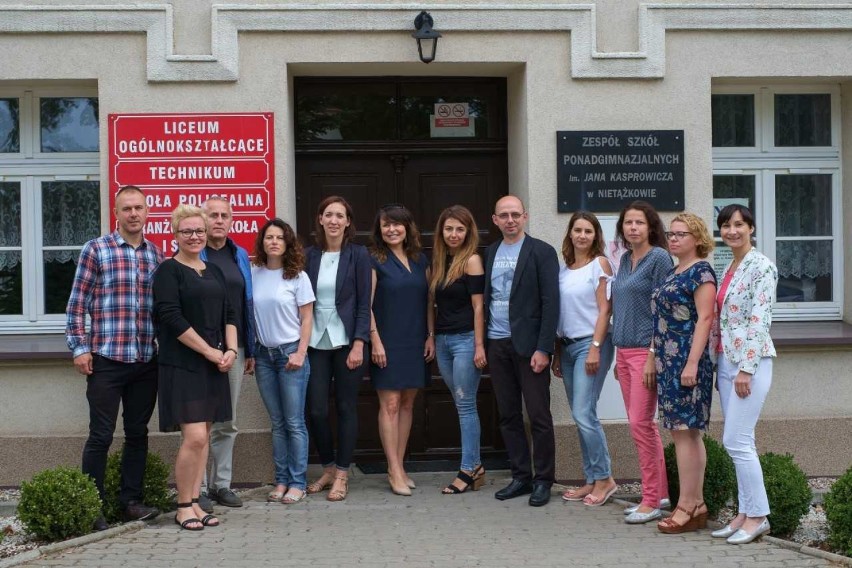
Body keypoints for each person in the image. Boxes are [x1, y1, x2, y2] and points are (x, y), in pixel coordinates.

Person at [66, 185, 164, 531]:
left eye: (139, 207)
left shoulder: (156, 255)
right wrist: (79, 348)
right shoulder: (97, 249)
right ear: (117, 214)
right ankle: (93, 505)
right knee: (101, 435)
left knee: (137, 433)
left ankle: (130, 502)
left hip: (143, 360)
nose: (134, 214)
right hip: (106, 358)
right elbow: (77, 303)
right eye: (127, 208)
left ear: (148, 212)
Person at [153, 204, 237, 531]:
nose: (194, 236)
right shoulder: (168, 271)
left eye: (199, 231)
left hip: (214, 364)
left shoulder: (213, 270)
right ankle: (183, 505)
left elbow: (229, 313)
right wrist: (210, 352)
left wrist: (229, 350)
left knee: (205, 436)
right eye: (186, 231)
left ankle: (197, 503)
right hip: (183, 363)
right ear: (175, 235)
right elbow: (172, 318)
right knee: (195, 436)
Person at [483, 195, 559, 507]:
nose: (510, 220)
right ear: (495, 219)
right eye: (504, 215)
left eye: (515, 214)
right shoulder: (489, 252)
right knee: (508, 414)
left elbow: (551, 303)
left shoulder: (541, 251)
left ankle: (543, 480)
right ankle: (520, 476)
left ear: (525, 217)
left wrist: (544, 348)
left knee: (538, 415)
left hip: (530, 348)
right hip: (497, 343)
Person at [710, 204, 777, 545]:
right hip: (726, 362)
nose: (731, 231)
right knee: (741, 442)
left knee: (735, 440)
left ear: (751, 227)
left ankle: (759, 516)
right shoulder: (729, 266)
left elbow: (759, 320)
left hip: (750, 363)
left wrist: (746, 369)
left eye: (738, 224)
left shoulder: (761, 266)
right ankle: (743, 513)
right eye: (725, 225)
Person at [653, 212, 717, 534]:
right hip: (668, 362)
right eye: (671, 233)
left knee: (684, 432)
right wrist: (654, 357)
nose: (674, 238)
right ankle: (698, 502)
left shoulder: (701, 272)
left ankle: (687, 505)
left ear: (697, 239)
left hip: (687, 363)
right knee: (685, 433)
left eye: (681, 234)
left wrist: (691, 364)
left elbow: (705, 319)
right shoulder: (672, 270)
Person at [304, 196, 371, 502]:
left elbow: (362, 303)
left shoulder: (358, 255)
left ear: (347, 222)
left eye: (339, 215)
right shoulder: (309, 256)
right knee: (316, 409)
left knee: (346, 408)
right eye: (328, 214)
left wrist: (359, 343)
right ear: (320, 219)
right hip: (315, 341)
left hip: (347, 342)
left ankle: (342, 474)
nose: (333, 220)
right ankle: (328, 467)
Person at [610, 201, 672, 524]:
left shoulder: (659, 258)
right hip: (623, 352)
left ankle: (651, 501)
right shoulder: (623, 260)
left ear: (651, 227)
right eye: (628, 223)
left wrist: (651, 355)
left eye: (639, 223)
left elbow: (662, 308)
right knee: (643, 427)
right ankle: (659, 493)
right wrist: (617, 356)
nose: (633, 228)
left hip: (645, 354)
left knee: (640, 425)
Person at [551, 211, 617, 507]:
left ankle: (605, 478)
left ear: (595, 236)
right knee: (582, 416)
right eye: (577, 230)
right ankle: (590, 479)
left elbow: (605, 310)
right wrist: (555, 354)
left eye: (588, 231)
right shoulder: (564, 270)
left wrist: (595, 347)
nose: (582, 235)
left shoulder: (599, 265)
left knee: (583, 413)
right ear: (570, 234)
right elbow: (560, 315)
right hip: (566, 348)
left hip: (591, 347)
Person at [369, 204, 433, 496]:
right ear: (379, 229)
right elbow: (365, 306)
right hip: (387, 340)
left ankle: (401, 465)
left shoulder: (420, 260)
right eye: (386, 225)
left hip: (415, 338)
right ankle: (393, 469)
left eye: (397, 224)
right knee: (391, 404)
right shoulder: (373, 260)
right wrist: (376, 341)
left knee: (407, 403)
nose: (391, 230)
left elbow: (428, 300)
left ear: (407, 228)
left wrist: (430, 336)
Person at [196, 196, 256, 511]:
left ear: (231, 220)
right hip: (200, 349)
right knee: (200, 421)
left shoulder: (240, 255)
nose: (219, 220)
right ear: (202, 219)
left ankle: (222, 485)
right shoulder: (194, 253)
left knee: (227, 421)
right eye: (213, 215)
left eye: (224, 215)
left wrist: (250, 349)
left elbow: (247, 302)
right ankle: (198, 488)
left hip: (236, 348)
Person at [251, 219, 315, 505]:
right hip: (264, 355)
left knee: (294, 422)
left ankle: (298, 482)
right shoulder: (253, 273)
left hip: (291, 354)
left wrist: (301, 352)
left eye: (279, 237)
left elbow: (307, 318)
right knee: (277, 423)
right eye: (269, 237)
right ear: (262, 243)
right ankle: (280, 480)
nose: (274, 241)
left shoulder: (297, 277)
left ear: (288, 243)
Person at [430, 205, 488, 494]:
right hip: (442, 341)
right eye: (449, 228)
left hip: (466, 340)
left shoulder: (472, 261)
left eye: (460, 229)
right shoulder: (440, 261)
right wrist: (431, 336)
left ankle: (468, 469)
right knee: (461, 404)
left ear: (468, 232)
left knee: (466, 405)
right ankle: (475, 467)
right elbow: (432, 304)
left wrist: (479, 345)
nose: (454, 234)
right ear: (442, 231)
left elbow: (479, 306)